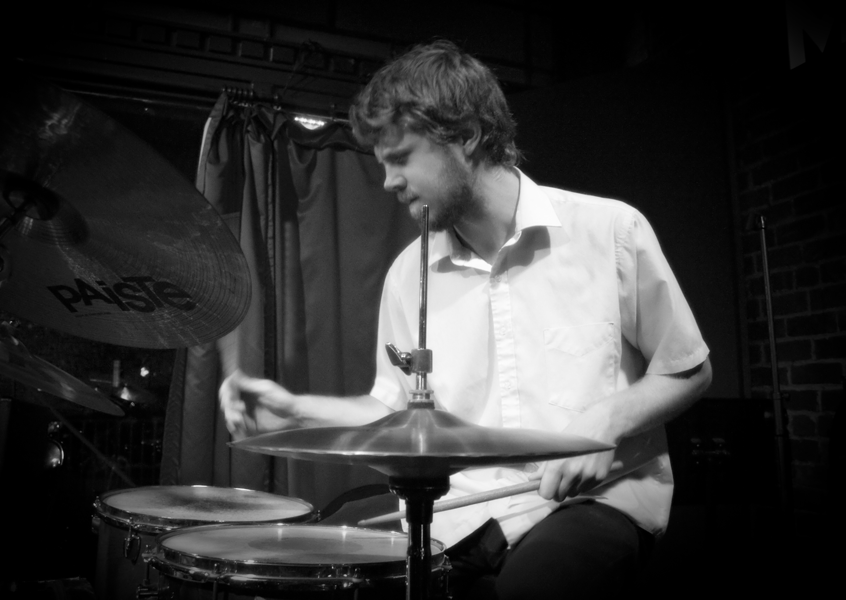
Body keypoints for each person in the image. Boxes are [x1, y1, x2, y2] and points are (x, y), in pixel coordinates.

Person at [220, 40, 712, 599]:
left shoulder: (610, 231)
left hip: (588, 507)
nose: (387, 181)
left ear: (467, 136)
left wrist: (609, 419)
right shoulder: (409, 274)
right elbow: (392, 409)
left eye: (401, 158)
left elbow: (689, 369)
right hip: (461, 518)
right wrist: (293, 408)